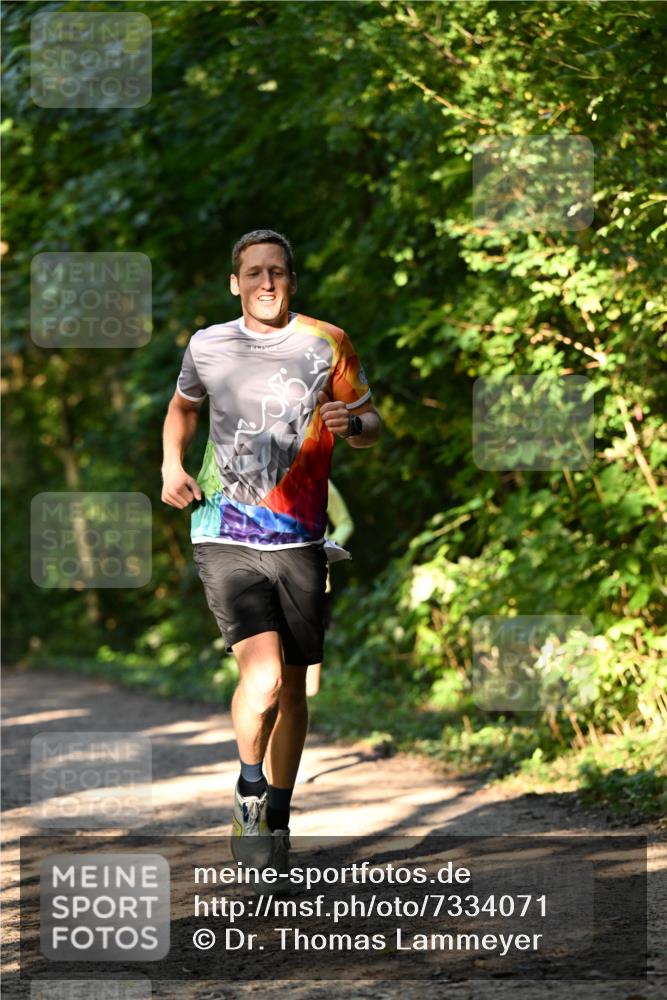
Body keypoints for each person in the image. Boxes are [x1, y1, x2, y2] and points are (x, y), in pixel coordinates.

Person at [160, 229, 380, 881]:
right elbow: (181, 409)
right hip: (223, 528)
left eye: (277, 272)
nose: (265, 282)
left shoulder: (327, 343)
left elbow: (370, 421)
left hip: (301, 537)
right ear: (235, 282)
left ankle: (277, 817)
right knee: (264, 679)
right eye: (253, 272)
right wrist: (172, 463)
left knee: (294, 688)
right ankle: (250, 793)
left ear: (290, 280)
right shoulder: (208, 345)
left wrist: (355, 427)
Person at [305, 480, 354, 698]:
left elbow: (345, 522)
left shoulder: (322, 482)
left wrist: (329, 547)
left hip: (317, 579)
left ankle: (305, 709)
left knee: (310, 646)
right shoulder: (269, 472)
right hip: (276, 576)